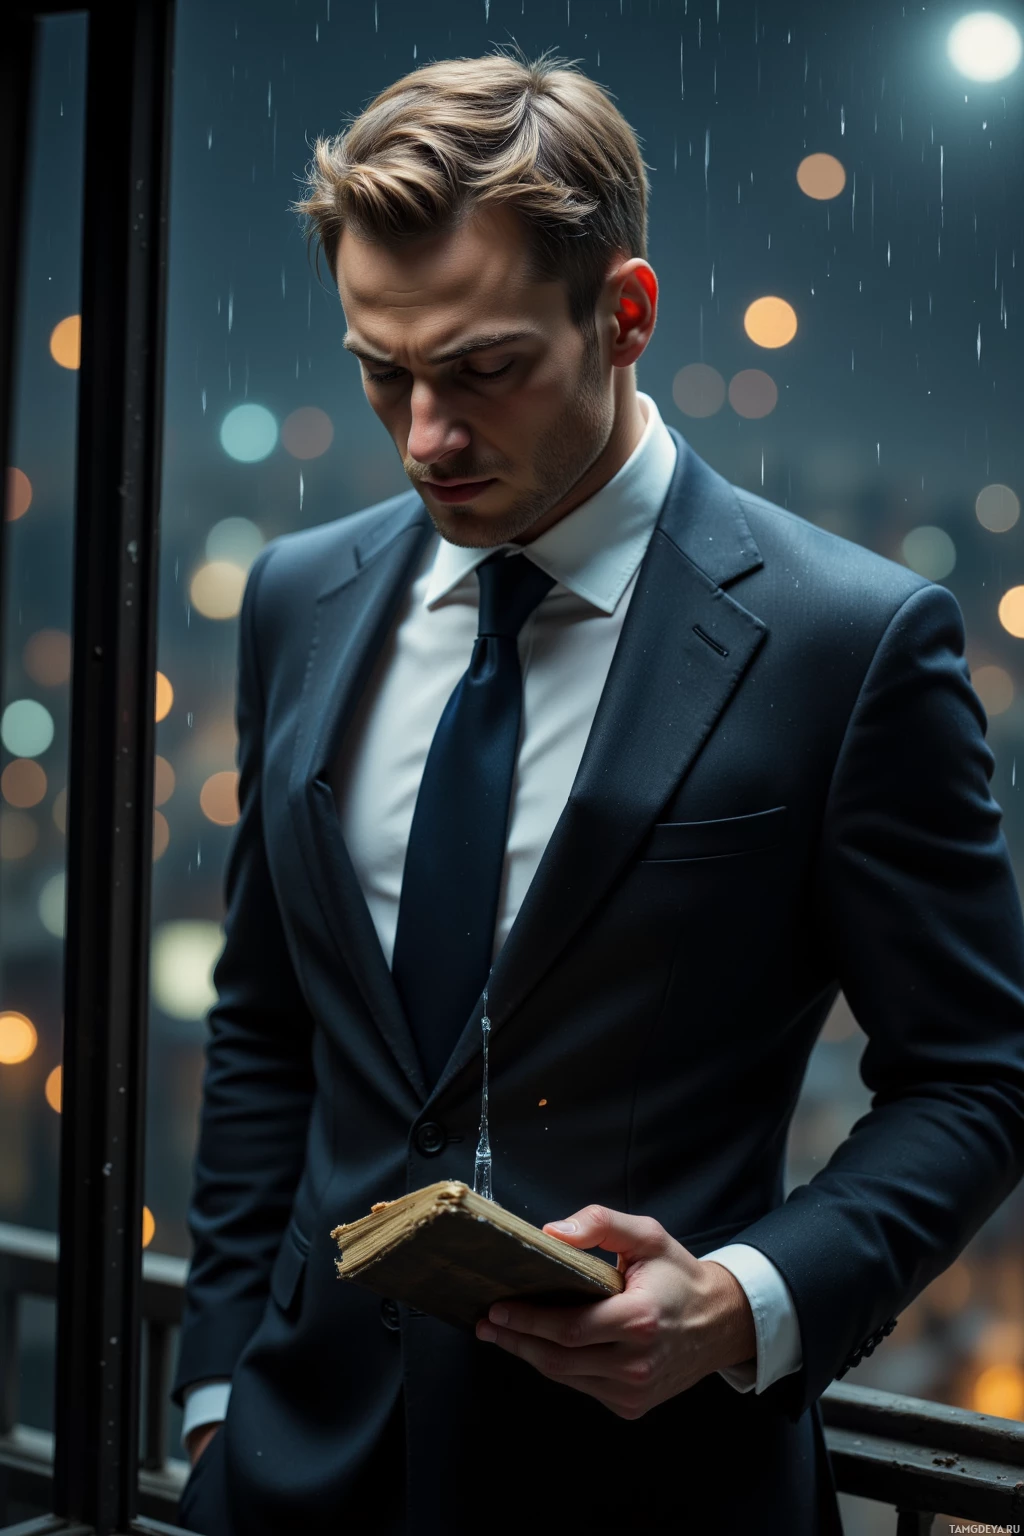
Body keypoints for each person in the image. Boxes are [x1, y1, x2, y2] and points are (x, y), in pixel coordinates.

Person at [170, 46, 1024, 1536]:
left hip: (654, 1488)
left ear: (624, 316)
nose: (426, 434)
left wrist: (746, 1301)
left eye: (484, 368)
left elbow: (979, 1072)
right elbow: (266, 1025)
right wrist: (215, 1396)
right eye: (384, 370)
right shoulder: (300, 597)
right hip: (292, 1476)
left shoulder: (846, 641)